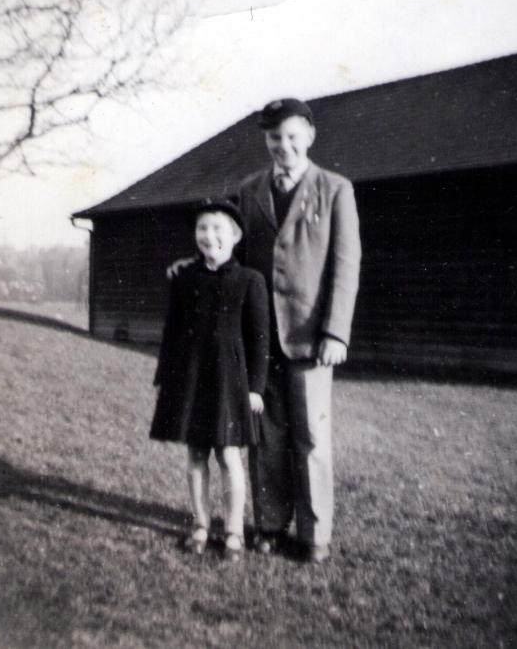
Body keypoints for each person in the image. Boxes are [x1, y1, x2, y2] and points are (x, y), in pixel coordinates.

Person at [239, 98, 361, 563]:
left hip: (311, 337)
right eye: (274, 138)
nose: (283, 146)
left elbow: (346, 265)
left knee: (311, 436)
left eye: (292, 136)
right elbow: (235, 252)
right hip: (260, 337)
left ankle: (315, 535)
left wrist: (337, 332)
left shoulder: (335, 189)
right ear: (265, 140)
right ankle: (268, 524)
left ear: (309, 135)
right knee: (266, 436)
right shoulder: (249, 190)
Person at [149, 199, 270, 561]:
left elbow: (260, 339)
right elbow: (172, 329)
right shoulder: (184, 277)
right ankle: (201, 525)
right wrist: (164, 377)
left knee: (229, 455)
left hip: (230, 382)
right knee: (195, 453)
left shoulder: (251, 281)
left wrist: (256, 389)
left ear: (234, 236)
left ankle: (233, 531)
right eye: (202, 228)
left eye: (218, 229)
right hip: (189, 378)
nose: (208, 235)